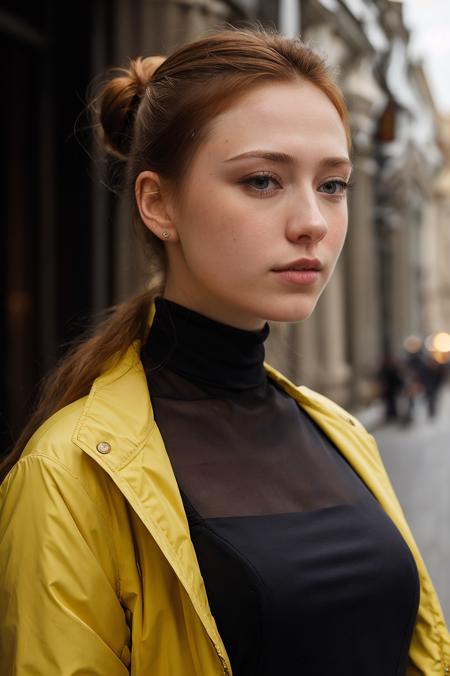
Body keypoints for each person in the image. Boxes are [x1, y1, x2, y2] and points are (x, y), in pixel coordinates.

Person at [0, 28, 448, 676]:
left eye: (333, 184)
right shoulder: (66, 476)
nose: (313, 222)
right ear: (159, 203)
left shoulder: (342, 433)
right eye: (264, 180)